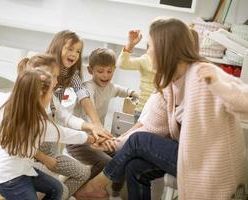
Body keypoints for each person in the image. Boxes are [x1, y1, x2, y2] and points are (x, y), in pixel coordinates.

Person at [77, 17, 247, 200]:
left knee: (139, 140)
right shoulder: (169, 84)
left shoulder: (202, 72)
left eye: (150, 46)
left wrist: (219, 86)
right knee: (135, 167)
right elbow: (149, 126)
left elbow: (243, 101)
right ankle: (97, 187)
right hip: (187, 155)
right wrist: (113, 143)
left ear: (165, 48)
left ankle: (95, 186)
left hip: (210, 163)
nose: (147, 52)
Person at [16, 53, 108, 198]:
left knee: (83, 173)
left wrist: (91, 127)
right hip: (33, 158)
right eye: (54, 76)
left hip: (51, 154)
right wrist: (88, 138)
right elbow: (59, 133)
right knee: (54, 190)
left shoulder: (51, 98)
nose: (57, 81)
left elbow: (67, 118)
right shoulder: (27, 106)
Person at [68, 48, 138, 199]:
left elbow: (121, 90)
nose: (105, 75)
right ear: (90, 70)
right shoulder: (88, 87)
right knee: (107, 162)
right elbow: (89, 113)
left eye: (109, 71)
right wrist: (101, 137)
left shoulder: (110, 87)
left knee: (124, 156)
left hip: (97, 138)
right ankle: (82, 189)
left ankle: (115, 192)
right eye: (100, 71)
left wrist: (134, 93)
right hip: (78, 140)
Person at [0, 68, 64, 200]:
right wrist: (89, 136)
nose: (51, 96)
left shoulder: (14, 109)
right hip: (7, 179)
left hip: (23, 170)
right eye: (50, 92)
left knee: (56, 189)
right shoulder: (34, 122)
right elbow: (64, 134)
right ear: (39, 95)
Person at [117, 29, 155, 122]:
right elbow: (122, 64)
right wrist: (130, 45)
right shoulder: (145, 59)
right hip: (142, 109)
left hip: (159, 111)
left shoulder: (171, 63)